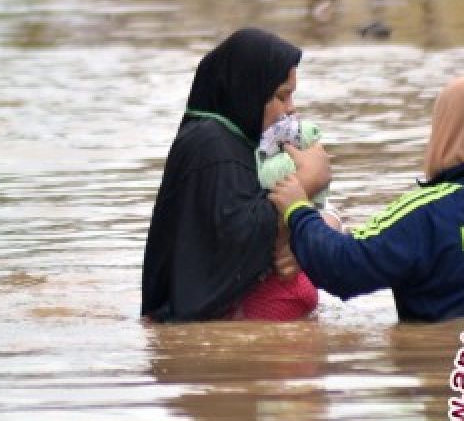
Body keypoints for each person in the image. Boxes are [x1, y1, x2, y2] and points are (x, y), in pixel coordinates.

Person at [270, 75, 464, 322]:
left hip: (438, 365)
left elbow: (343, 267)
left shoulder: (429, 211)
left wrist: (298, 209)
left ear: (448, 131)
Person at [140, 28, 331, 323]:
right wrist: (308, 181)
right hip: (196, 332)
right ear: (248, 90)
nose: (290, 109)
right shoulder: (211, 146)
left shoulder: (240, 143)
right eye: (282, 96)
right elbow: (235, 239)